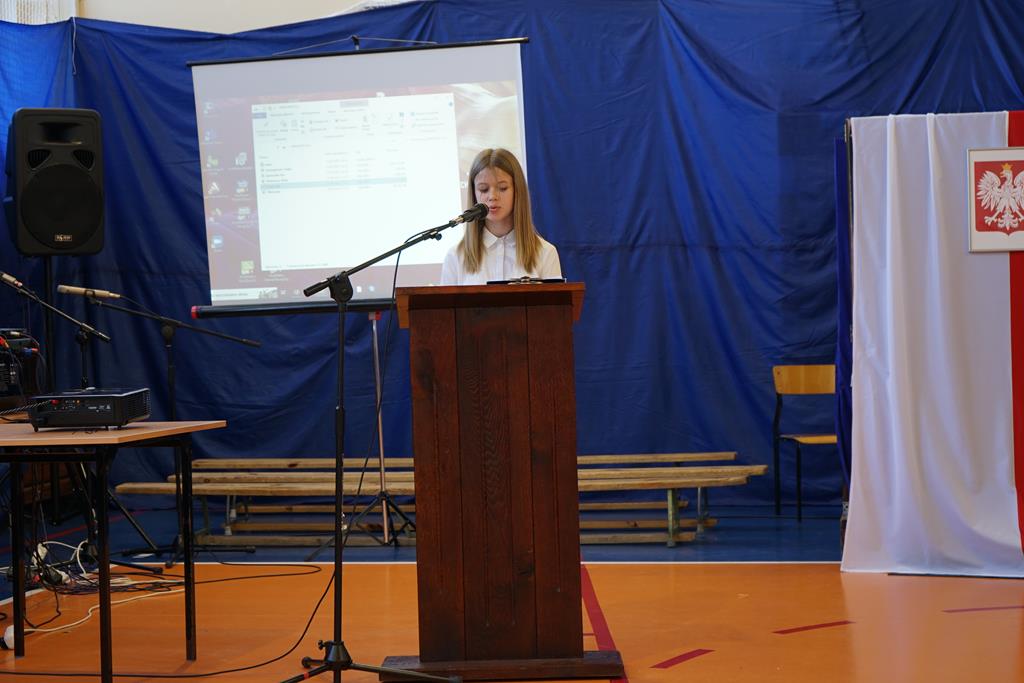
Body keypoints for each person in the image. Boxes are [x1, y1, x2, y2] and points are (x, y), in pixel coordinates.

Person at [440, 148, 562, 285]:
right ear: (474, 194)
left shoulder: (545, 253)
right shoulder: (455, 257)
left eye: (502, 188)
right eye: (483, 189)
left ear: (517, 190)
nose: (492, 196)